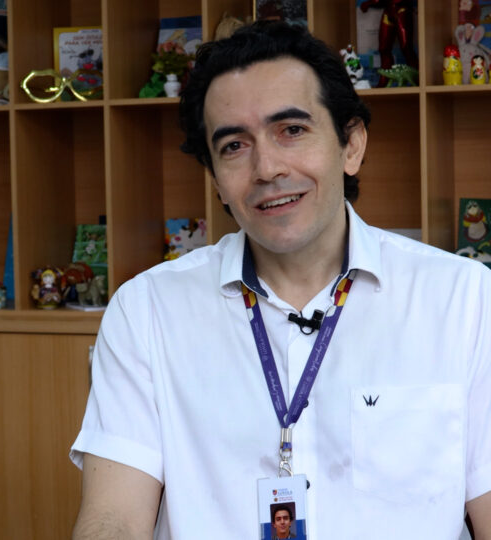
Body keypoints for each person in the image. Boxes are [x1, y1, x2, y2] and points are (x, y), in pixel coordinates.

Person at [70, 21, 491, 539]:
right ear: (216, 179)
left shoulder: (466, 300)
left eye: (291, 130)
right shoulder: (147, 310)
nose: (266, 168)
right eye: (234, 146)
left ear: (351, 144)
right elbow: (113, 518)